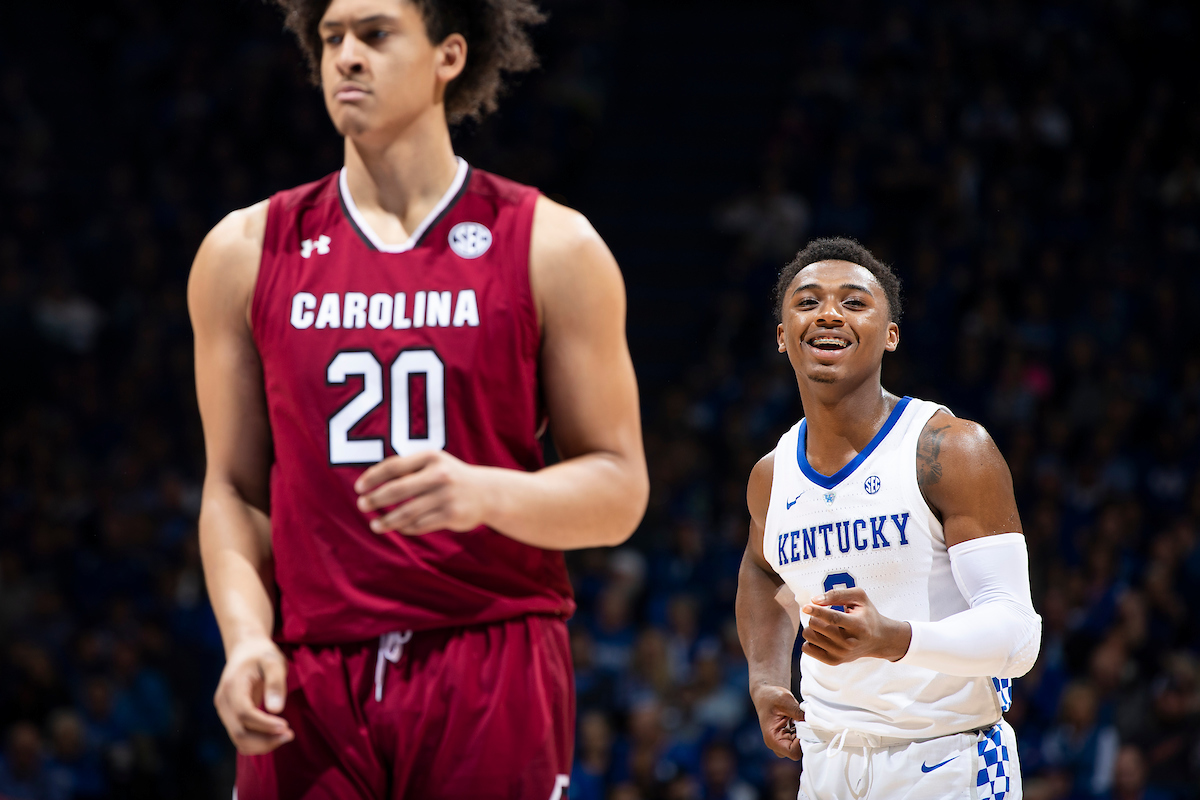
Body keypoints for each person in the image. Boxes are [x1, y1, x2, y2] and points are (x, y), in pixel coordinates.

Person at [187, 0, 649, 796]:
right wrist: (243, 637)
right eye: (331, 38)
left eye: (374, 34)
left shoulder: (553, 245)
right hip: (311, 667)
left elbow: (618, 490)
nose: (346, 58)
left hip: (488, 651)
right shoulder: (243, 251)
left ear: (449, 56)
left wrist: (483, 492)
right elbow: (232, 486)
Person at [735, 237, 1041, 799]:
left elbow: (1018, 638)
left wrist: (893, 638)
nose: (828, 313)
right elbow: (763, 571)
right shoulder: (772, 475)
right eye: (807, 302)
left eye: (854, 302)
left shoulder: (951, 449)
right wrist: (765, 680)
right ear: (782, 336)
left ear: (891, 335)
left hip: (949, 758)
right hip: (827, 762)